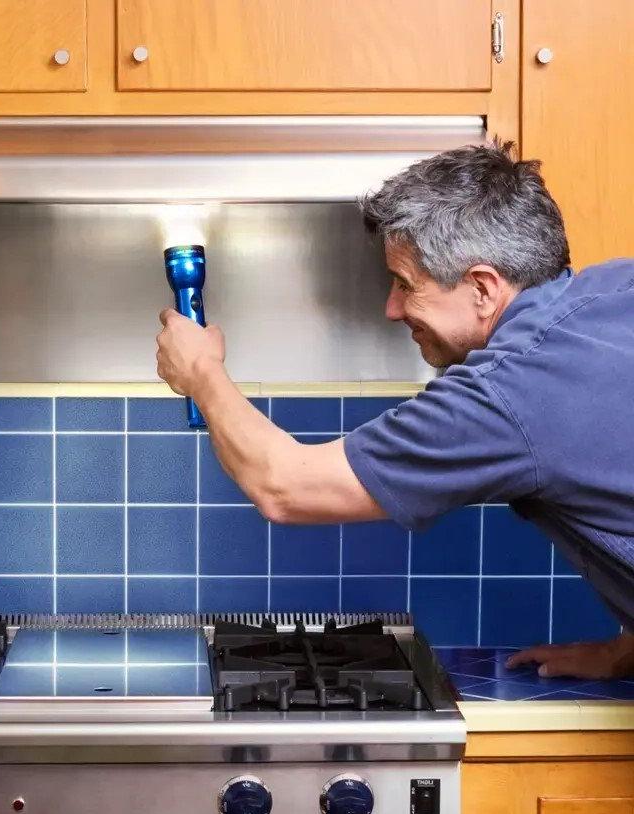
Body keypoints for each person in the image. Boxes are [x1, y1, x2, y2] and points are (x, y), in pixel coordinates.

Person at [155, 141, 634, 679]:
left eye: (406, 284)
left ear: (481, 288)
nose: (391, 308)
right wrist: (624, 651)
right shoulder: (617, 288)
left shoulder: (511, 391)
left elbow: (285, 486)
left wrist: (201, 375)